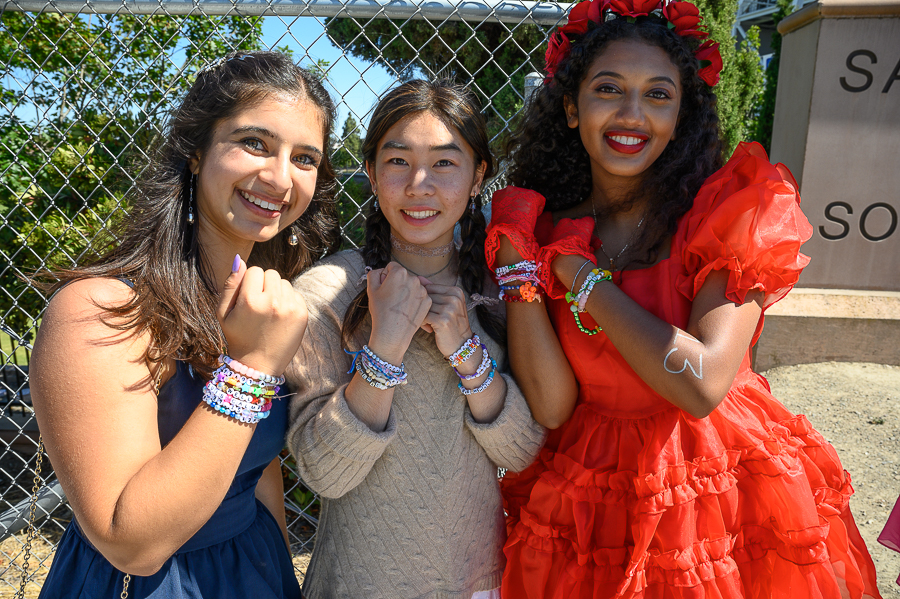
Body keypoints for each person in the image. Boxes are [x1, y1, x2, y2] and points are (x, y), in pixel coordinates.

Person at [485, 1, 882, 597]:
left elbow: (700, 385)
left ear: (682, 114)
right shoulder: (544, 234)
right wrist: (520, 271)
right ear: (571, 107)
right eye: (609, 88)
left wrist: (583, 280)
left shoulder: (731, 215)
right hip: (590, 491)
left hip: (718, 491)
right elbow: (550, 408)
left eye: (658, 95)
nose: (632, 114)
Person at [29, 50, 341, 598]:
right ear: (196, 153)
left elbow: (255, 465)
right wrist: (252, 367)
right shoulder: (99, 310)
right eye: (255, 144)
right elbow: (133, 544)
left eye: (305, 158)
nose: (279, 176)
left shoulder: (259, 302)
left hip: (255, 570)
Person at [286, 79, 546, 599]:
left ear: (479, 178)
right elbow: (323, 473)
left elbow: (524, 450)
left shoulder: (504, 291)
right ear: (372, 173)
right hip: (356, 585)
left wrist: (467, 352)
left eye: (446, 163)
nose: (419, 184)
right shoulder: (326, 294)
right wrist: (385, 348)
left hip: (476, 582)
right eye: (398, 161)